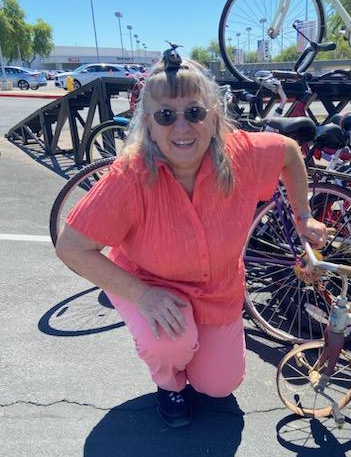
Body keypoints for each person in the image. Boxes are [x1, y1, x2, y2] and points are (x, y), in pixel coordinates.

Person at [55, 47, 327, 428]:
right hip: (149, 283)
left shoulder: (242, 154)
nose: (181, 127)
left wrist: (304, 217)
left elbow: (290, 152)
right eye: (166, 116)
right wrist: (142, 296)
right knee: (170, 342)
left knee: (221, 385)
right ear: (148, 124)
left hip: (217, 288)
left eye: (194, 113)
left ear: (213, 116)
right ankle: (168, 384)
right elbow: (71, 247)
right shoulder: (130, 174)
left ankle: (191, 353)